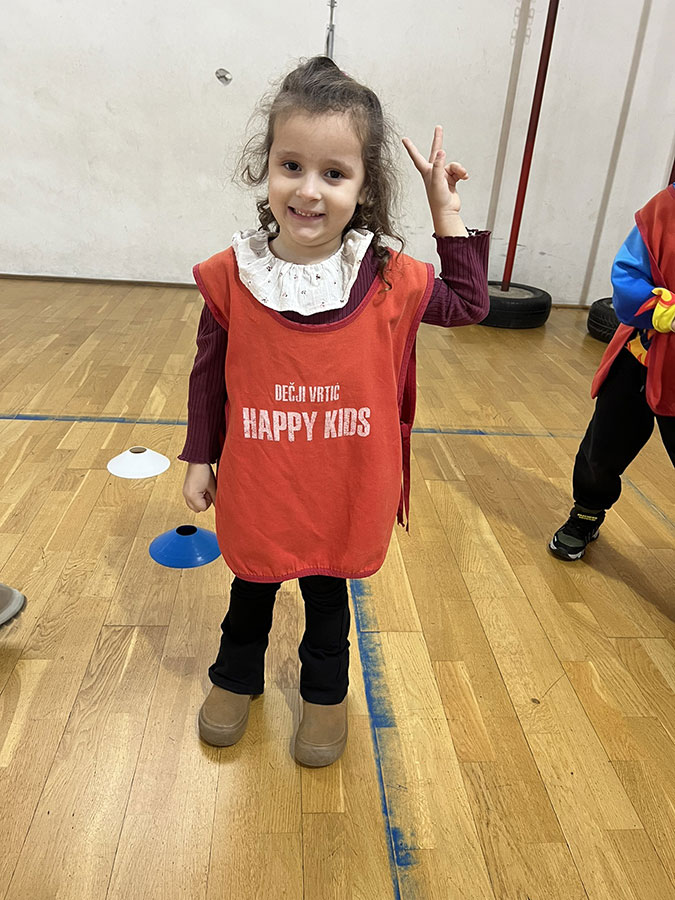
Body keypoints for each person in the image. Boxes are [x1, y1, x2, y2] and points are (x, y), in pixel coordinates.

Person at [180, 56, 490, 766]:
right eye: (291, 165)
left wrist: (445, 212)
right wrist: (199, 455)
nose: (308, 190)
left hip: (340, 486)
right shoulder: (233, 275)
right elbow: (207, 376)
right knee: (251, 587)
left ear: (364, 185)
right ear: (265, 167)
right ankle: (234, 678)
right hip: (263, 481)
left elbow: (470, 305)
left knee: (327, 599)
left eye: (334, 173)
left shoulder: (385, 277)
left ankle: (325, 696)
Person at [550, 181, 675, 561]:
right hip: (640, 356)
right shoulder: (665, 207)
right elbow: (627, 276)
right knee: (602, 449)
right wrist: (663, 311)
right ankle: (586, 514)